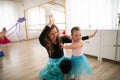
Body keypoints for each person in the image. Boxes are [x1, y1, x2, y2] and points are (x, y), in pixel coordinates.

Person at [38, 14, 97, 80]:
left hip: (62, 60)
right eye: (52, 34)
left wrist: (89, 36)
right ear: (48, 35)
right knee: (54, 75)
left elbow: (77, 38)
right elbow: (41, 37)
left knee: (69, 63)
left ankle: (64, 73)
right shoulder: (46, 43)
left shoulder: (61, 39)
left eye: (56, 32)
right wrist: (50, 23)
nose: (55, 35)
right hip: (53, 63)